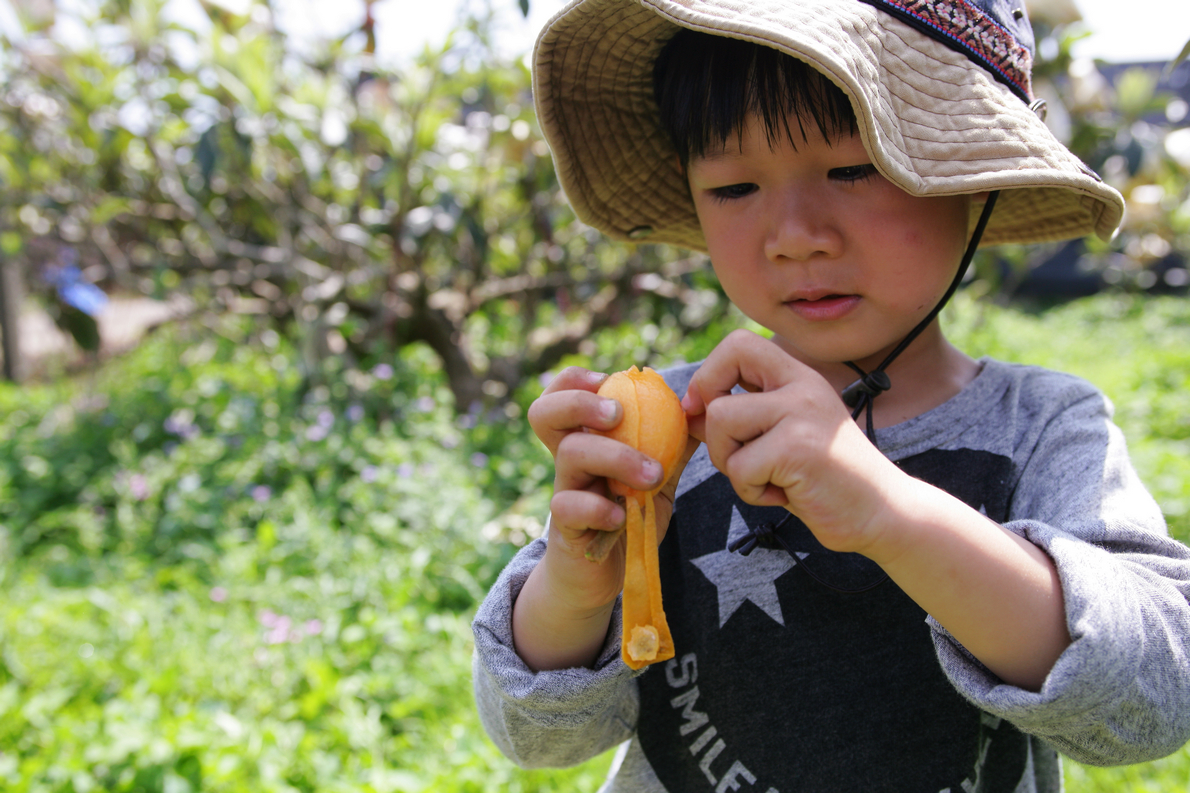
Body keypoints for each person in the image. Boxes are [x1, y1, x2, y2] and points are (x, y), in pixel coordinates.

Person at [472, 0, 1190, 789]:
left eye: (854, 169)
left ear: (971, 185)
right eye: (735, 185)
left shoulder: (1042, 426)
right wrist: (579, 581)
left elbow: (1152, 701)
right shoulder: (674, 429)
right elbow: (537, 735)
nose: (795, 233)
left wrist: (887, 509)